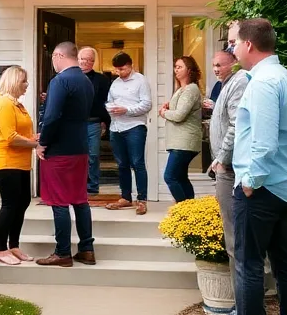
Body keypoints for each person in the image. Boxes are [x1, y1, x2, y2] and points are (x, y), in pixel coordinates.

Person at [203, 19, 287, 315]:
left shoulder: (263, 83)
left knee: (247, 264)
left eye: (234, 44)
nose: (232, 50)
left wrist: (250, 181)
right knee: (284, 266)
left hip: (261, 189)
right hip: (286, 188)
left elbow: (262, 140)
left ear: (249, 45)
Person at [36, 42, 97, 267]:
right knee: (80, 199)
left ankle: (62, 252)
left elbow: (52, 117)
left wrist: (43, 142)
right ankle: (87, 249)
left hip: (60, 149)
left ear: (58, 55)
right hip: (80, 146)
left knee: (59, 201)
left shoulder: (60, 81)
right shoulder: (86, 81)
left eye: (53, 58)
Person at [206, 47, 251, 315]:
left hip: (231, 168)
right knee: (234, 241)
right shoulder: (226, 85)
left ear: (233, 62)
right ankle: (247, 309)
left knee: (236, 243)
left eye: (220, 64)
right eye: (213, 65)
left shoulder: (240, 82)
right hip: (228, 167)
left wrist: (221, 158)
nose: (216, 69)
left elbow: (236, 124)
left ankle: (242, 311)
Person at [0, 66, 38, 266]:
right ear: (13, 82)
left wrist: (33, 139)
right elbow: (10, 137)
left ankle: (14, 245)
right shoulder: (4, 104)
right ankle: (2, 249)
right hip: (6, 161)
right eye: (23, 81)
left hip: (21, 162)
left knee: (23, 202)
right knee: (10, 204)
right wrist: (34, 143)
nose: (27, 85)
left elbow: (24, 133)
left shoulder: (18, 105)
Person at [105, 51, 153, 215]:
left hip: (134, 126)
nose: (120, 73)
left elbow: (147, 104)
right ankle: (125, 196)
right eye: (118, 70)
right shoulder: (115, 83)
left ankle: (142, 199)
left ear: (131, 65)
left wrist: (127, 110)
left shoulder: (141, 80)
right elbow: (109, 101)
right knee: (121, 164)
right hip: (116, 127)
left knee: (137, 163)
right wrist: (110, 109)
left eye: (123, 69)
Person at [160, 55, 203, 202]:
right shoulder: (181, 89)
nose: (176, 70)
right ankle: (190, 210)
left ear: (189, 70)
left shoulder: (190, 89)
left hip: (184, 141)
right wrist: (169, 106)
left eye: (180, 67)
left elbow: (179, 115)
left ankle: (183, 209)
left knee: (170, 176)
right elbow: (178, 109)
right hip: (179, 141)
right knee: (181, 177)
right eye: (175, 67)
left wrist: (164, 113)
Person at [78, 47, 111, 196]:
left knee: (93, 155)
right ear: (77, 59)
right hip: (74, 124)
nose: (85, 62)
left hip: (93, 122)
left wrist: (105, 121)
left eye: (89, 60)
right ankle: (77, 186)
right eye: (83, 59)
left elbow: (106, 102)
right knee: (76, 156)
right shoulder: (69, 77)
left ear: (93, 62)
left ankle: (92, 187)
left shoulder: (102, 80)